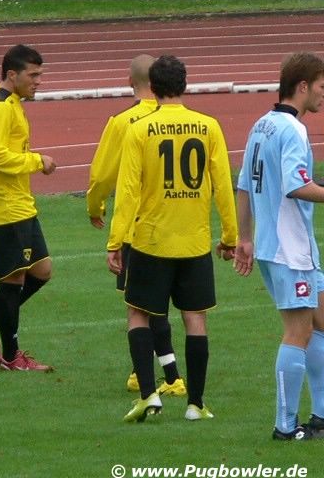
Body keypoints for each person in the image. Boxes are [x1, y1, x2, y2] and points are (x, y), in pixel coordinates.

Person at [107, 55, 237, 422]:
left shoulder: (139, 130)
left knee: (138, 312)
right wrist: (230, 235)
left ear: (152, 86)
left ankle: (149, 394)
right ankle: (195, 403)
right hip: (194, 242)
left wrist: (115, 241)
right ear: (184, 85)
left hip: (150, 241)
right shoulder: (208, 127)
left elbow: (127, 191)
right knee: (195, 318)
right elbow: (223, 186)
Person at [234, 52, 324, 441]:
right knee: (299, 332)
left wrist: (245, 238)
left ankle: (321, 416)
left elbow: (243, 185)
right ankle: (285, 426)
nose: (323, 94)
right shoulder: (293, 130)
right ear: (303, 86)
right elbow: (296, 185)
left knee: (320, 323)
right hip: (290, 249)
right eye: (321, 86)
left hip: (277, 247)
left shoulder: (262, 124)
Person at [87, 54, 186, 397]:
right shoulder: (179, 119)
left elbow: (101, 175)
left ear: (130, 81)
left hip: (136, 228)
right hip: (177, 224)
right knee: (157, 303)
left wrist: (95, 207)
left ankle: (167, 377)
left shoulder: (123, 122)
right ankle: (153, 372)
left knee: (141, 305)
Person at [0, 44, 57, 372]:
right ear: (12, 74)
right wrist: (37, 161)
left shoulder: (9, 101)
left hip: (21, 205)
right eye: (33, 75)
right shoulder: (1, 107)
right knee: (13, 281)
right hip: (5, 208)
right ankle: (12, 355)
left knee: (41, 271)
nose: (38, 81)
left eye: (40, 75)